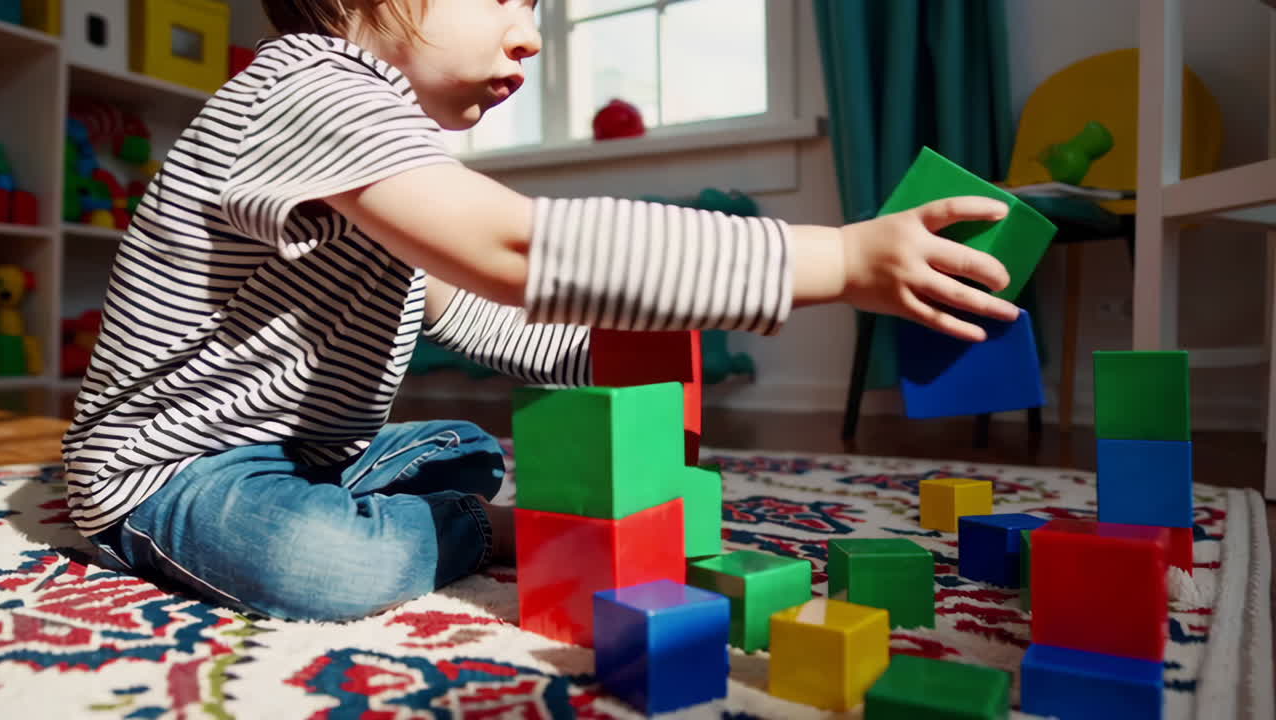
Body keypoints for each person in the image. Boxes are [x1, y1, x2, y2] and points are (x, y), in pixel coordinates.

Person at [63, 0, 1020, 622]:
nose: (526, 34)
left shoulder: (386, 145)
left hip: (312, 447)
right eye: (508, 0)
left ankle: (423, 503)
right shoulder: (306, 87)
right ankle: (482, 530)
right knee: (320, 568)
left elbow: (474, 311)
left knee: (472, 449)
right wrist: (837, 257)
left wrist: (616, 366)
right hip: (166, 468)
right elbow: (513, 251)